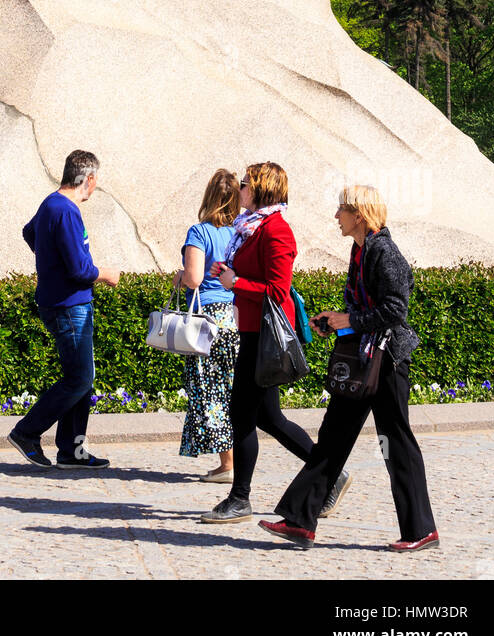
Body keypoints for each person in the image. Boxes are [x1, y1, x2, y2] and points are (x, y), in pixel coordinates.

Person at [259, 185, 439, 552]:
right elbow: (365, 309)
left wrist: (351, 320)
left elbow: (395, 310)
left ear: (359, 214)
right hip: (361, 358)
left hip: (385, 361)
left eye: (341, 209)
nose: (336, 216)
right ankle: (299, 521)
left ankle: (421, 530)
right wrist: (337, 322)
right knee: (334, 436)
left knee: (396, 442)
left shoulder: (382, 249)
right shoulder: (361, 249)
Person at [201, 161, 347, 524]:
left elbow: (278, 291)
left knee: (242, 414)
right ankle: (330, 475)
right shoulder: (250, 226)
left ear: (263, 189)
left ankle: (240, 498)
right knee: (269, 417)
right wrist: (229, 276)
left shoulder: (276, 230)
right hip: (250, 329)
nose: (241, 189)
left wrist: (237, 284)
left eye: (247, 184)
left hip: (263, 335)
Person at [8, 150, 121, 470]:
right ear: (89, 180)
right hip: (69, 305)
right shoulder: (67, 210)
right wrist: (107, 274)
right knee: (81, 378)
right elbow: (81, 270)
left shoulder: (50, 204)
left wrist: (49, 261)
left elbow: (29, 233)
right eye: (95, 181)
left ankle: (72, 449)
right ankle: (27, 432)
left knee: (80, 377)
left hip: (61, 302)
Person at [173, 170, 241, 481]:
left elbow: (195, 278)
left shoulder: (199, 232)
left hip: (207, 318)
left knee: (209, 389)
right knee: (230, 387)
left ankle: (228, 464)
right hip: (235, 315)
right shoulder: (241, 232)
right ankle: (236, 459)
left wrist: (180, 277)